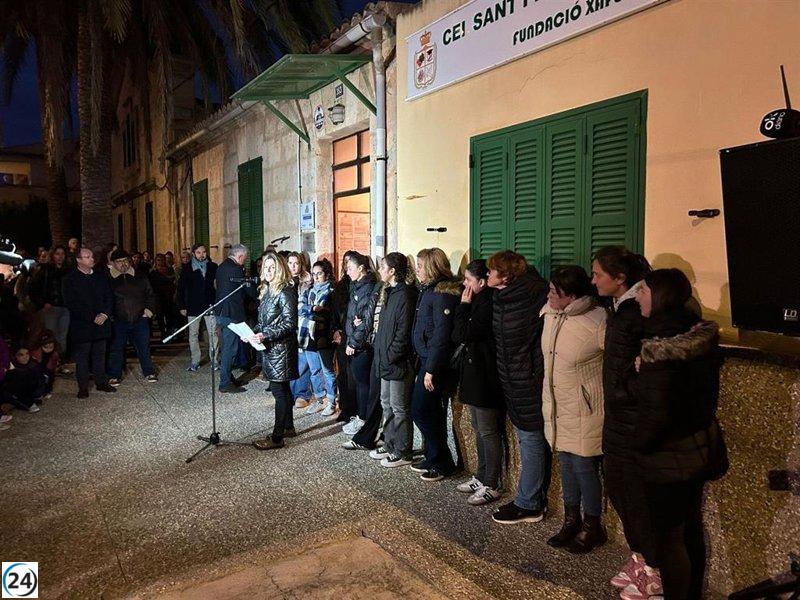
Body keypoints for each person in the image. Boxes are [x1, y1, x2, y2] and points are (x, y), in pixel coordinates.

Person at [628, 269, 725, 600]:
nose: (637, 296)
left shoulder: (660, 347)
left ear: (660, 297)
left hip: (667, 457)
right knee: (690, 529)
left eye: (643, 291)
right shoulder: (696, 335)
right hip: (698, 447)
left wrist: (637, 447)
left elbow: (655, 414)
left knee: (669, 539)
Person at [591, 245, 659, 594]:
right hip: (617, 416)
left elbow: (645, 369)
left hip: (632, 419)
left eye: (598, 274)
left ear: (620, 278)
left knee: (636, 496)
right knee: (619, 489)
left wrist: (626, 389)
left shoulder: (638, 313)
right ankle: (640, 556)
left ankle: (655, 569)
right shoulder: (619, 308)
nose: (593, 280)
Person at [540, 266, 608, 553]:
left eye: (554, 291)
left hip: (585, 407)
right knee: (566, 462)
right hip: (557, 402)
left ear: (571, 295)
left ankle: (593, 526)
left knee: (584, 466)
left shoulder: (598, 319)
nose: (548, 295)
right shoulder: (550, 315)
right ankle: (571, 520)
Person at [488, 250, 551, 524]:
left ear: (505, 276)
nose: (488, 274)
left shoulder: (533, 295)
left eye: (492, 270)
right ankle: (528, 498)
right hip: (511, 377)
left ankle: (530, 503)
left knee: (531, 437)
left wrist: (531, 372)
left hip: (528, 378)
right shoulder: (501, 297)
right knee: (527, 436)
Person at [351, 253, 418, 461]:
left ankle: (402, 450)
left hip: (396, 362)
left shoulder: (405, 295)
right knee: (386, 404)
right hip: (384, 359)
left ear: (392, 271)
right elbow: (382, 328)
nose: (379, 270)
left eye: (383, 267)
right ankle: (389, 444)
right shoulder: (389, 292)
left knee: (399, 408)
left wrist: (390, 355)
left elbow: (403, 331)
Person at [452, 259, 504, 505]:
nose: (464, 284)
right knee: (478, 427)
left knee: (488, 430)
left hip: (486, 375)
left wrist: (463, 306)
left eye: (468, 280)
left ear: (482, 282)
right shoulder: (478, 300)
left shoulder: (487, 303)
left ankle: (491, 483)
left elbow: (462, 333)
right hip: (474, 374)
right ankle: (481, 476)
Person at [410, 247, 461, 482]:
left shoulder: (442, 293)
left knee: (421, 410)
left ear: (431, 267)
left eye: (420, 266)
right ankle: (433, 457)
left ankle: (442, 462)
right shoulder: (430, 290)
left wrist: (431, 369)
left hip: (434, 364)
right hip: (426, 360)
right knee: (430, 412)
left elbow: (441, 335)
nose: (417, 270)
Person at [249, 253, 299, 450]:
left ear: (279, 269)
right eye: (265, 267)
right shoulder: (267, 290)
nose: (268, 271)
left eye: (272, 267)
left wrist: (265, 335)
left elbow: (290, 323)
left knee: (279, 391)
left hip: (282, 349)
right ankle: (288, 427)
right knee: (283, 389)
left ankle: (277, 438)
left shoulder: (285, 291)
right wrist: (252, 333)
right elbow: (264, 322)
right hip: (271, 348)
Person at [62, 248, 116, 398]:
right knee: (82, 357)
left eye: (92, 256)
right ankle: (83, 387)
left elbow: (109, 297)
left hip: (102, 323)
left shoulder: (101, 276)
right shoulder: (69, 280)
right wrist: (92, 317)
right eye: (87, 257)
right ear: (78, 260)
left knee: (100, 355)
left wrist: (105, 314)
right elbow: (71, 303)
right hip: (82, 325)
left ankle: (101, 382)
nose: (92, 259)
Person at [107, 249, 158, 384]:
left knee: (144, 347)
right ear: (113, 263)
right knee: (116, 348)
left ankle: (149, 372)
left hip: (140, 318)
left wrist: (148, 310)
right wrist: (109, 315)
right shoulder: (109, 279)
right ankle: (114, 375)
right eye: (119, 261)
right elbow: (104, 298)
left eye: (125, 260)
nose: (123, 264)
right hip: (118, 320)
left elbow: (150, 294)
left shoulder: (140, 276)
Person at [342, 253, 379, 435]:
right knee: (358, 383)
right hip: (354, 340)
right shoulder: (358, 286)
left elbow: (365, 320)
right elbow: (354, 316)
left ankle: (363, 419)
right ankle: (360, 416)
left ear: (361, 268)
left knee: (363, 384)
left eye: (350, 268)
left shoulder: (367, 288)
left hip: (361, 346)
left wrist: (354, 342)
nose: (347, 272)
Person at [215, 244, 255, 393]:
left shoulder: (222, 266)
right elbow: (247, 289)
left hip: (221, 311)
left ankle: (228, 377)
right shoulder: (236, 269)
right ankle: (225, 383)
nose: (244, 261)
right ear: (240, 256)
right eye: (244, 258)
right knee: (230, 349)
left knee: (227, 346)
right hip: (231, 313)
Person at [299, 259, 337, 415]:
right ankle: (320, 399)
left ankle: (332, 401)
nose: (315, 277)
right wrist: (313, 309)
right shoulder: (308, 290)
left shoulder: (332, 292)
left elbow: (327, 314)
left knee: (327, 370)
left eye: (319, 273)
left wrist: (311, 311)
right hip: (308, 334)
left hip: (323, 335)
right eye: (313, 274)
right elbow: (299, 307)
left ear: (326, 274)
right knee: (314, 370)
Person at [29, 245, 71, 370]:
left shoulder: (68, 271)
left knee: (62, 337)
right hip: (50, 307)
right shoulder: (45, 270)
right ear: (52, 255)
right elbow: (33, 289)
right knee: (50, 336)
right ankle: (48, 363)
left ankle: (59, 362)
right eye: (57, 254)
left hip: (65, 307)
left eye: (62, 254)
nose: (60, 256)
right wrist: (43, 303)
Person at [178, 244, 219, 371]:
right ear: (194, 254)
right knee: (193, 334)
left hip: (209, 304)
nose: (202, 255)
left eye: (204, 252)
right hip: (193, 306)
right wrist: (182, 306)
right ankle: (195, 361)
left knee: (213, 333)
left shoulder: (213, 266)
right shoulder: (187, 268)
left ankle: (214, 360)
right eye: (199, 252)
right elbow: (180, 288)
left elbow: (217, 285)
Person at [331, 251, 358, 423]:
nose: (347, 266)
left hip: (354, 335)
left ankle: (355, 409)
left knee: (353, 376)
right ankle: (345, 408)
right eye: (345, 262)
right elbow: (334, 311)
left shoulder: (360, 285)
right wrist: (335, 329)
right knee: (342, 375)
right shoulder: (340, 286)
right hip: (342, 333)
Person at [287, 251, 314, 408]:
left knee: (303, 359)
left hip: (302, 324)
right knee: (290, 359)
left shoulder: (308, 281)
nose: (293, 266)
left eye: (296, 263)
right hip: (287, 325)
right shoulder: (283, 281)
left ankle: (302, 394)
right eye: (290, 263)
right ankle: (289, 393)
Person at [2, 346, 45, 412]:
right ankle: (26, 403)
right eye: (21, 355)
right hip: (15, 393)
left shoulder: (33, 364)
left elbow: (40, 379)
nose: (25, 357)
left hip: (31, 392)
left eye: (27, 354)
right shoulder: (11, 368)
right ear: (15, 356)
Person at [149, 253, 178, 341]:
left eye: (162, 260)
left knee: (169, 315)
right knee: (160, 315)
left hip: (168, 296)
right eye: (158, 260)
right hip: (158, 296)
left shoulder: (170, 270)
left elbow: (173, 281)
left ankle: (169, 333)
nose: (160, 262)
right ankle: (163, 332)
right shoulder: (153, 273)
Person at [31, 331, 60, 397]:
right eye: (45, 347)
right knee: (39, 381)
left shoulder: (55, 354)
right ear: (41, 345)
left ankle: (47, 390)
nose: (48, 350)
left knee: (49, 380)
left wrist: (55, 369)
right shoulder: (36, 352)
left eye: (51, 347)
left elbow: (55, 363)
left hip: (49, 370)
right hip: (38, 369)